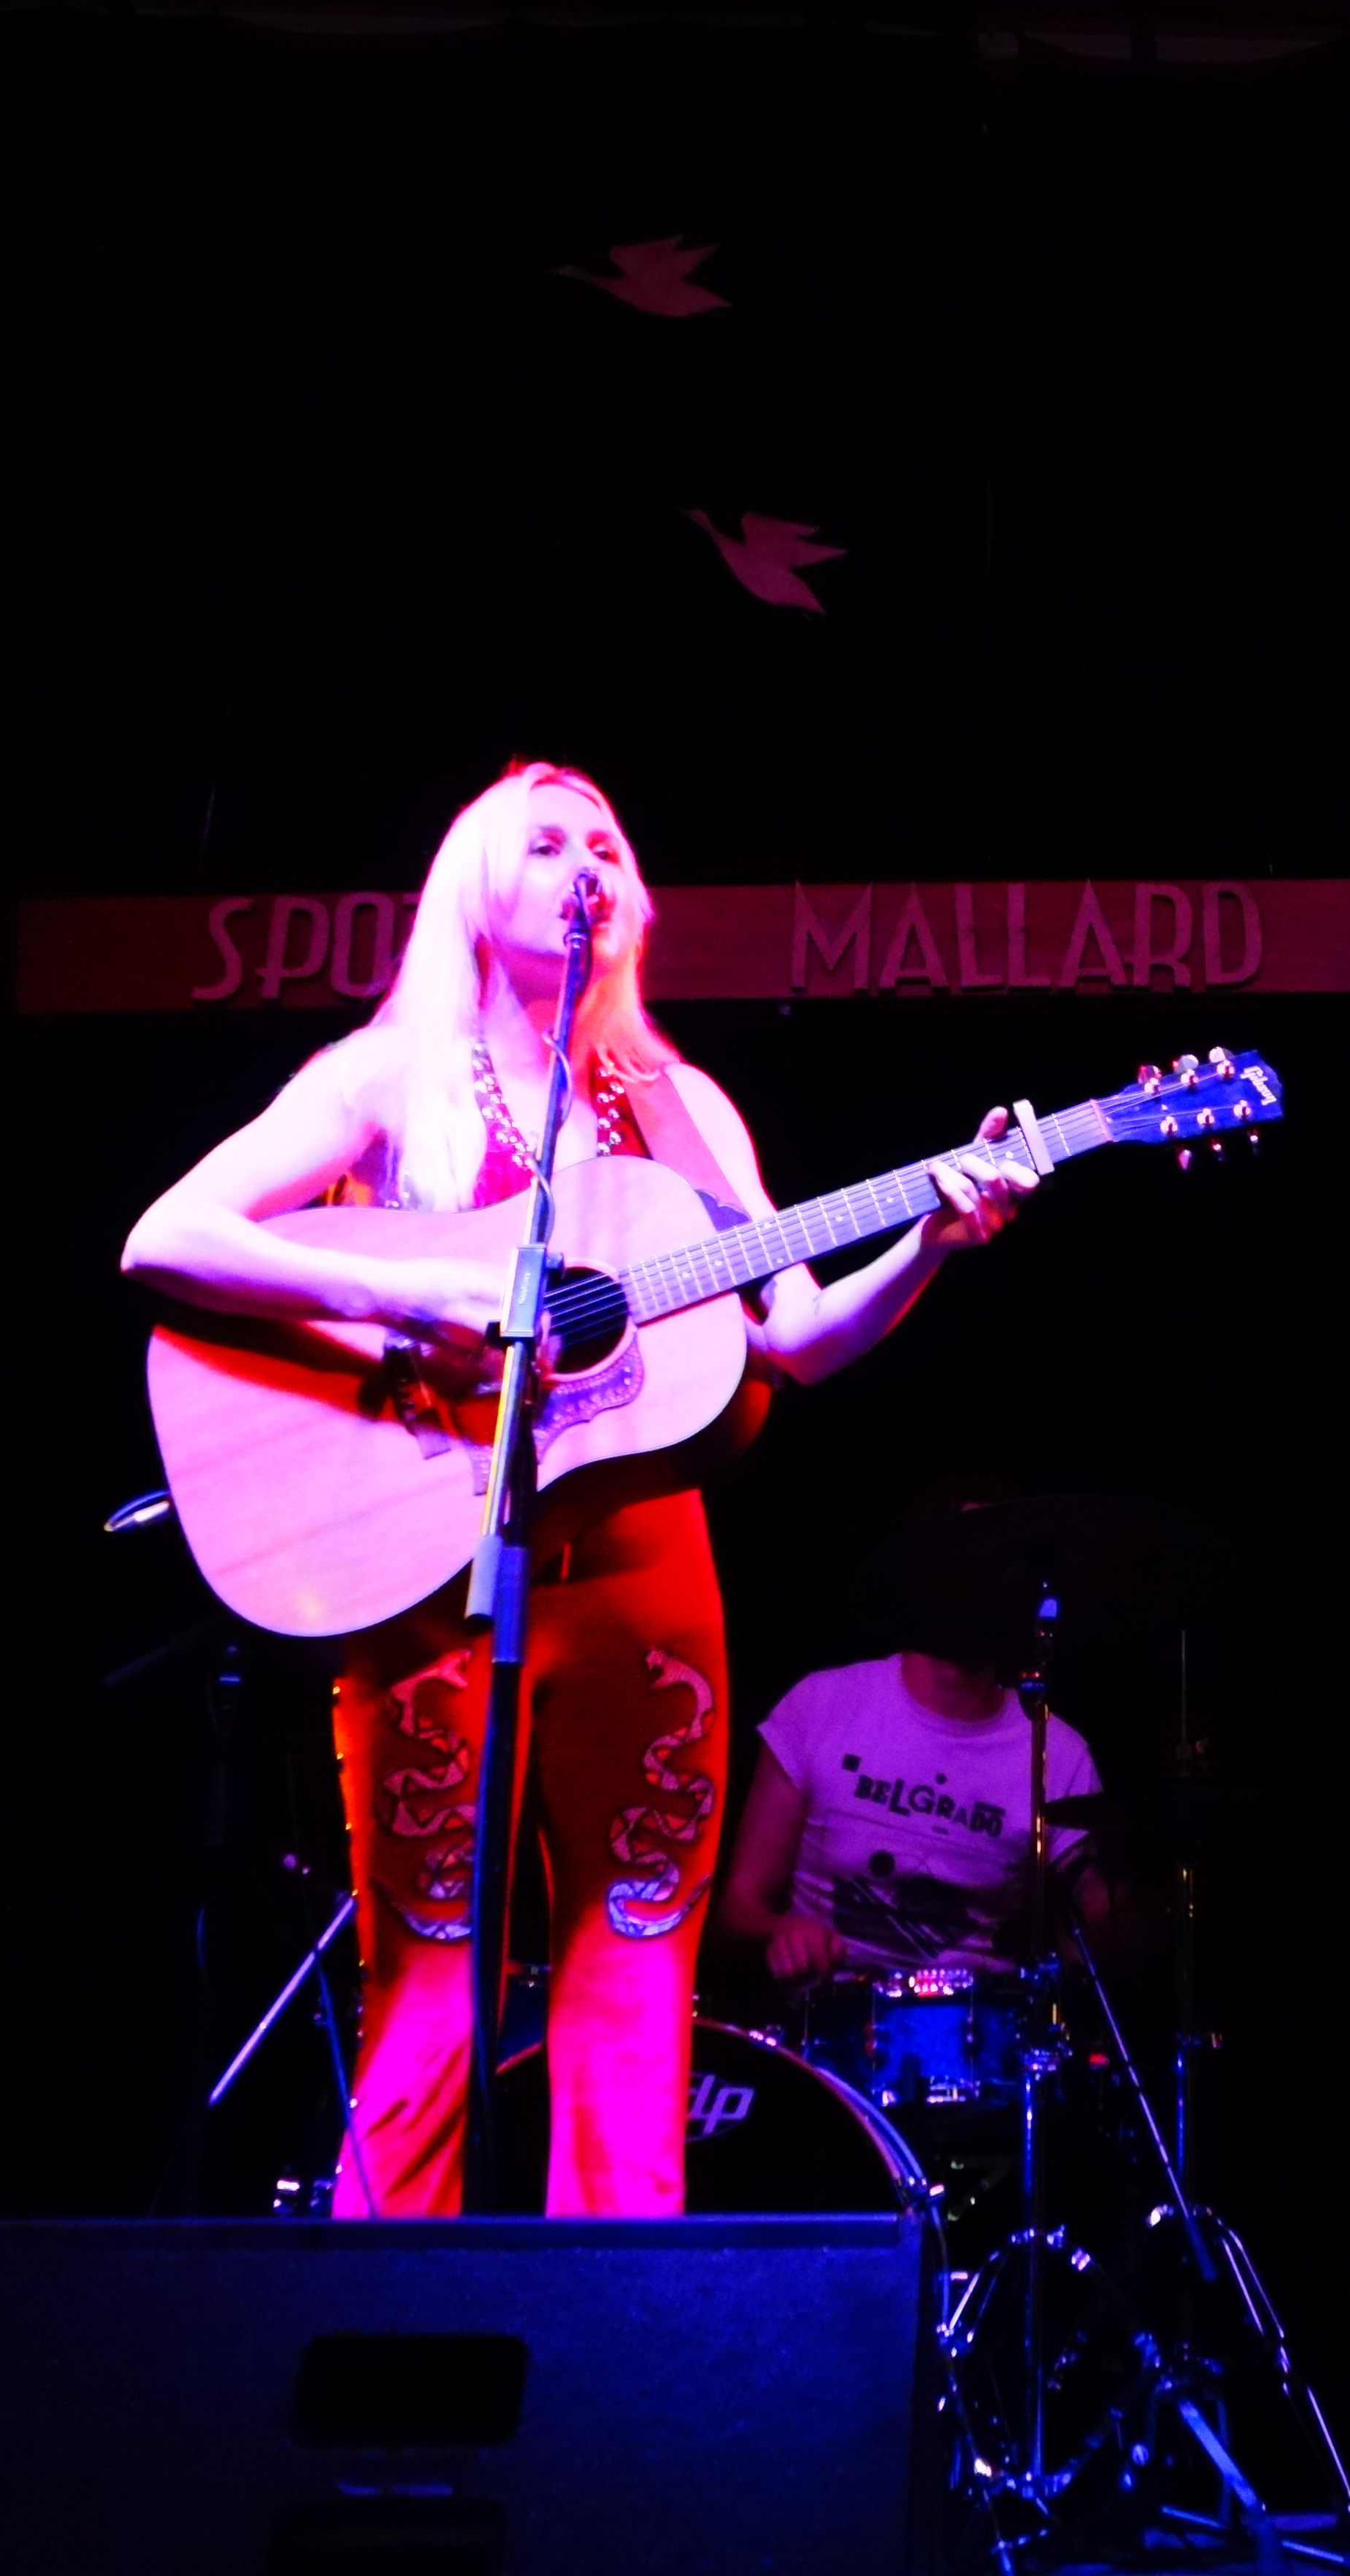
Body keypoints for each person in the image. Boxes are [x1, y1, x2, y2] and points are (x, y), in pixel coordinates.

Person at [123, 764, 1040, 2217]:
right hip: (432, 1569)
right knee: (429, 1969)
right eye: (545, 843)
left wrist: (928, 1243)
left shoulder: (681, 1107)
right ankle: (381, 2307)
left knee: (635, 1962)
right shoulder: (386, 1079)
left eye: (606, 842)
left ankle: (614, 2319)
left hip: (643, 1580)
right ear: (474, 888)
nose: (585, 863)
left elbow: (796, 1335)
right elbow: (169, 1237)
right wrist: (407, 1299)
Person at [716, 1571, 1115, 1986]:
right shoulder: (822, 1704)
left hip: (973, 2018)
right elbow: (736, 1912)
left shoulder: (1058, 1753)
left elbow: (1090, 1937)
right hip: (824, 2007)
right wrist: (781, 1933)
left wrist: (1106, 1918)